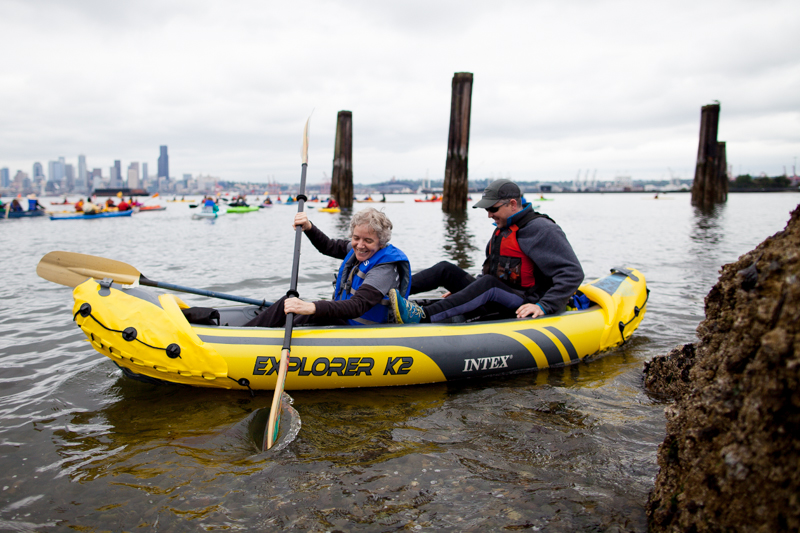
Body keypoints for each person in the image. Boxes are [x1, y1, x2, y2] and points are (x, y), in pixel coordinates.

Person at [389, 179, 584, 324]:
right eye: (486, 210)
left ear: (513, 204)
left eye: (493, 208)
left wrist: (544, 305)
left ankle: (421, 317)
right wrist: (466, 292)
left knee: (488, 285)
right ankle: (385, 294)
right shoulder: (504, 227)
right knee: (445, 269)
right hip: (497, 294)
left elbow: (573, 273)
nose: (489, 214)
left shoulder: (542, 229)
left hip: (526, 303)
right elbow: (491, 271)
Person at [245, 208, 411, 328]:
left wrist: (312, 307)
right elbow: (329, 246)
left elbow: (357, 305)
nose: (360, 245)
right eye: (356, 238)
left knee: (305, 315)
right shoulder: (357, 251)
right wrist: (309, 227)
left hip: (358, 330)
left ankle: (259, 344)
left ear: (381, 243)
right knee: (285, 304)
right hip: (343, 319)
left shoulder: (384, 269)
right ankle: (243, 334)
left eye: (368, 241)